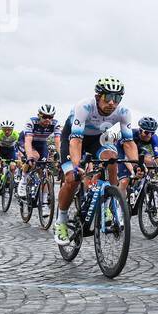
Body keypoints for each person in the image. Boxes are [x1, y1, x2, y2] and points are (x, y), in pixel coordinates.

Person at [54, 77, 136, 245]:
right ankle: (61, 221)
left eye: (117, 98)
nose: (113, 103)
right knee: (72, 179)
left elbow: (128, 143)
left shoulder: (124, 112)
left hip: (97, 139)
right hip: (73, 138)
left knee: (112, 159)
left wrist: (135, 166)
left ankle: (111, 204)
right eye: (108, 97)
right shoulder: (84, 106)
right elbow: (76, 141)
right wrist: (77, 167)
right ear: (98, 97)